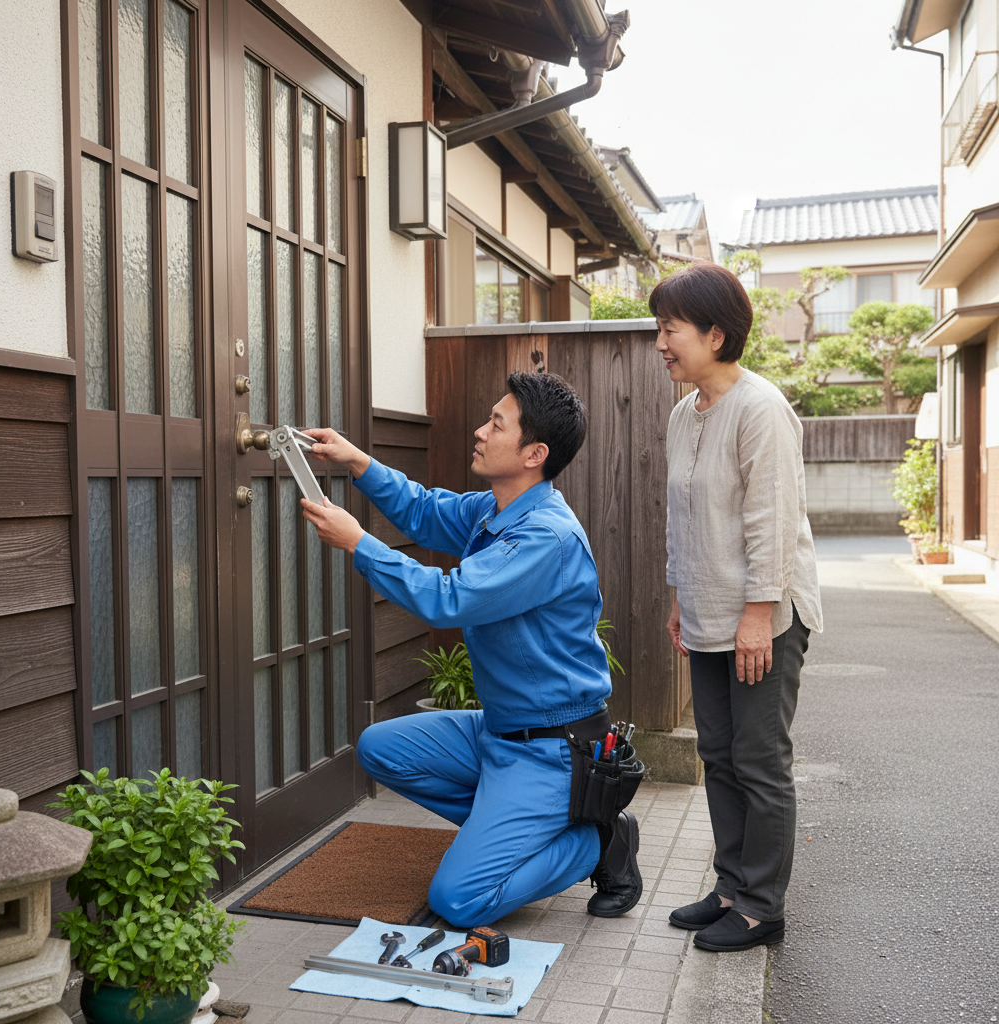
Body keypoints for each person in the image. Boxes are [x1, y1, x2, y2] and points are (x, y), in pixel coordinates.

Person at [298, 371, 642, 928]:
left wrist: (359, 542)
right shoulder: (496, 510)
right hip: (499, 731)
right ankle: (514, 830)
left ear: (535, 453)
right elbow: (425, 511)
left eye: (496, 424)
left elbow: (446, 599)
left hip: (551, 748)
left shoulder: (543, 538)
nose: (480, 432)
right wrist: (358, 462)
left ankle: (594, 842)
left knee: (459, 901)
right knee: (380, 748)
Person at [652, 262, 823, 953]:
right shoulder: (681, 413)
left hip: (765, 615)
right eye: (659, 329)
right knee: (718, 755)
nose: (660, 342)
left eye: (671, 329)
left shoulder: (760, 409)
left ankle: (760, 906)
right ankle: (730, 888)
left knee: (759, 758)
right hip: (708, 609)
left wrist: (759, 614)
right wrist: (678, 594)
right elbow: (682, 516)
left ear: (715, 334)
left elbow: (771, 524)